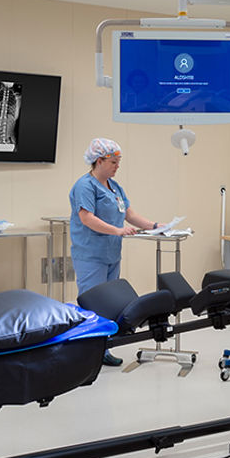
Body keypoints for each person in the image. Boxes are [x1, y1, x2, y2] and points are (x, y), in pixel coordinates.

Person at [69, 138, 160, 366]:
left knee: (109, 305)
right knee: (93, 305)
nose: (117, 166)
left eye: (119, 162)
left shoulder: (115, 186)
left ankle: (104, 349)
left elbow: (128, 213)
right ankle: (87, 355)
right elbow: (86, 218)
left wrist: (155, 226)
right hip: (90, 255)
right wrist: (117, 230)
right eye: (113, 162)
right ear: (99, 161)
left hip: (111, 254)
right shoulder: (85, 186)